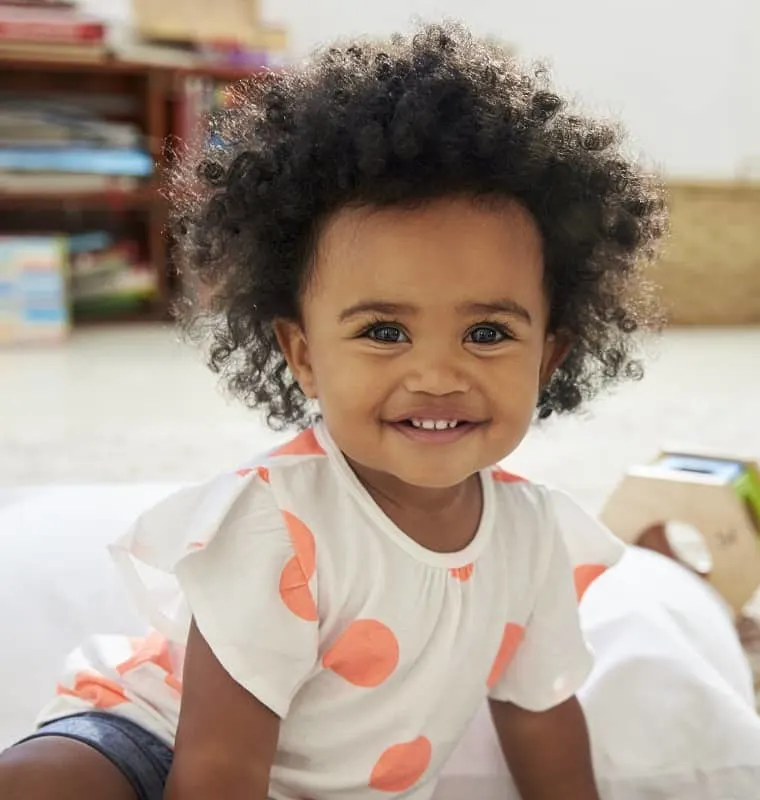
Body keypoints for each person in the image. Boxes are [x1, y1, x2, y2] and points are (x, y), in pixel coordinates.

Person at [0, 21, 666, 800]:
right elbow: (218, 766)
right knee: (45, 782)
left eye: (488, 332)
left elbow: (542, 716)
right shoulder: (277, 527)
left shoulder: (532, 537)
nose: (438, 372)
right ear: (303, 354)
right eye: (384, 331)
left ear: (549, 356)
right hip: (154, 745)